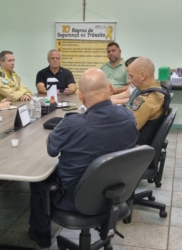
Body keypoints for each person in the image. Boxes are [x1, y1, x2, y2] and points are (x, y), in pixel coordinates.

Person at [28, 69, 139, 248]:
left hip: (75, 200)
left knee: (38, 179)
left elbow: (51, 150)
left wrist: (58, 132)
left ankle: (41, 234)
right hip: (115, 195)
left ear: (80, 96)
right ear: (110, 88)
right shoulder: (128, 117)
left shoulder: (71, 124)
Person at [127, 57, 170, 145]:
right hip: (145, 145)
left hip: (135, 149)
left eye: (131, 76)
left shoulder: (145, 100)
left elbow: (128, 129)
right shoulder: (160, 91)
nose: (130, 81)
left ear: (143, 75)